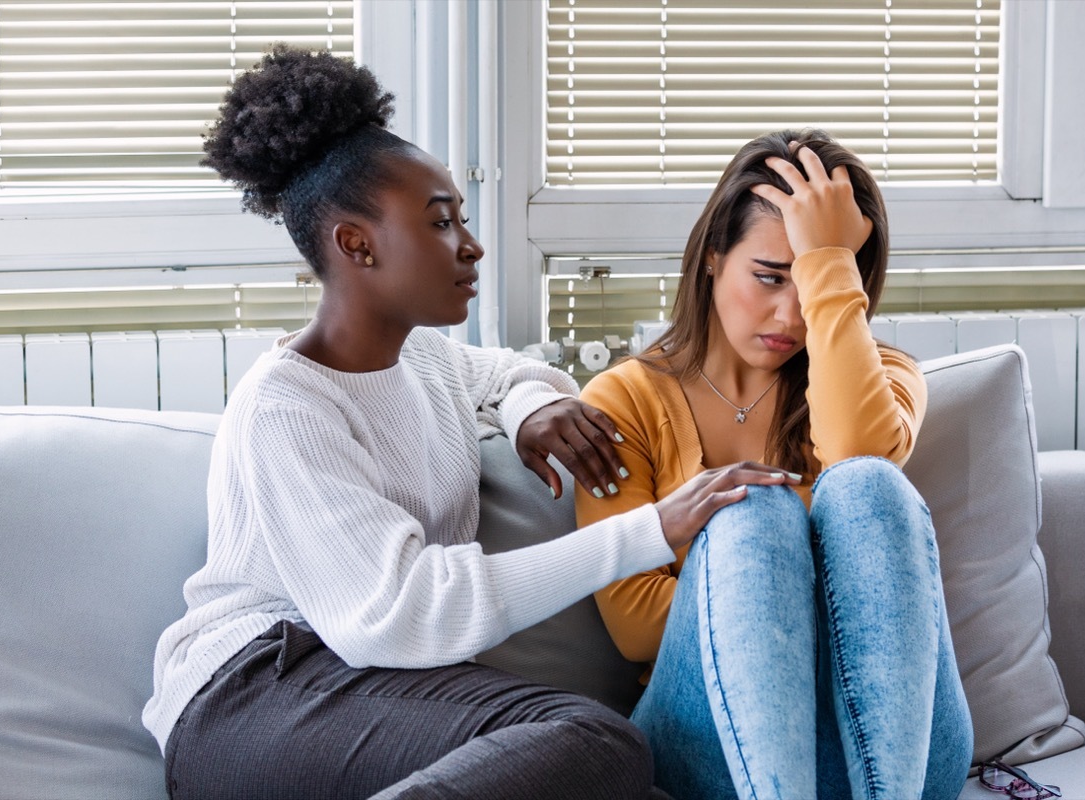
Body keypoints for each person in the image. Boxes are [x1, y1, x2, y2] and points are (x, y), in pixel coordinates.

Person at [142, 45, 792, 800]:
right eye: (442, 222)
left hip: (359, 690)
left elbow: (507, 375)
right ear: (357, 244)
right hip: (252, 697)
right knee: (593, 741)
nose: (472, 245)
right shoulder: (287, 408)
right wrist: (651, 530)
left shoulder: (423, 360)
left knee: (628, 782)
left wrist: (534, 408)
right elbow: (398, 613)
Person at [575, 130, 974, 800]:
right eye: (769, 275)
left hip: (898, 749)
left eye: (818, 276)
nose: (791, 313)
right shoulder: (623, 400)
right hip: (715, 742)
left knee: (870, 483)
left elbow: (858, 458)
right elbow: (636, 628)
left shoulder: (887, 377)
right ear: (711, 258)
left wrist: (828, 260)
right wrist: (777, 579)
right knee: (754, 514)